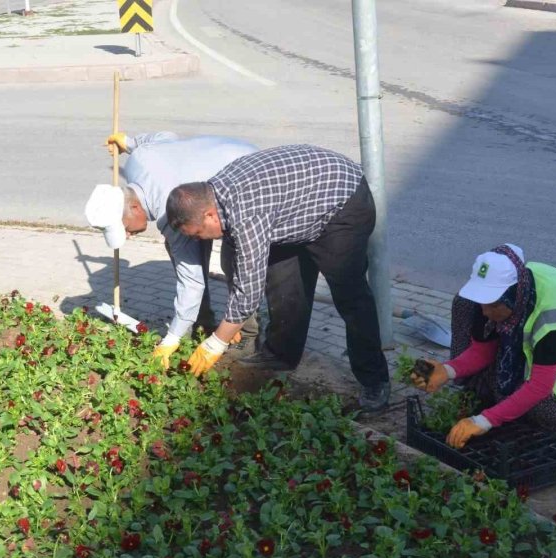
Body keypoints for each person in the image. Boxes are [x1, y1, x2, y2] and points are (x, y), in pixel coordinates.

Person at [165, 144, 391, 411]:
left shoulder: (246, 212)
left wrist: (216, 342)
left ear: (209, 214)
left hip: (342, 204)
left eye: (197, 233)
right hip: (298, 210)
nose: (198, 240)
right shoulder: (215, 195)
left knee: (349, 295)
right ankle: (280, 356)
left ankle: (374, 380)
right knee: (283, 282)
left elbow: (247, 293)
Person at [411, 244, 556, 447]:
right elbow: (483, 350)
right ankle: (489, 390)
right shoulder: (509, 298)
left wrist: (483, 421)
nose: (485, 312)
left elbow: (539, 386)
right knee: (464, 304)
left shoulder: (553, 319)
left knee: (542, 409)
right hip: (536, 342)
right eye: (484, 302)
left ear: (515, 296)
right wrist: (447, 370)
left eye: (493, 305)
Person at [84, 131, 260, 367]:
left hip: (246, 176)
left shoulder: (171, 210)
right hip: (228, 149)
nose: (127, 235)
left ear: (135, 207)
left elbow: (192, 281)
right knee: (184, 245)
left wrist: (172, 338)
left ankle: (245, 334)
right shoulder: (138, 161)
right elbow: (164, 137)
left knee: (237, 259)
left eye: (124, 228)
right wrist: (129, 142)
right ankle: (201, 320)